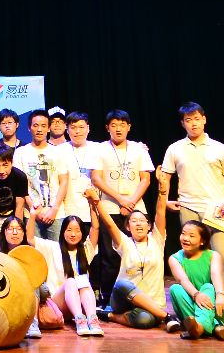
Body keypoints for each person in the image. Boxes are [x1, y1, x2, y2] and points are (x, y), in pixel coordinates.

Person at [157, 103, 224, 323]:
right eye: (188, 120)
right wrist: (165, 201)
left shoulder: (219, 148)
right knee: (193, 258)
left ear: (204, 119)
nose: (193, 123)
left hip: (217, 210)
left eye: (196, 118)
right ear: (182, 123)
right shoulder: (175, 148)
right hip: (189, 208)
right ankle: (196, 301)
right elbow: (165, 177)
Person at [91, 110, 155, 307]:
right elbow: (96, 178)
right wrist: (121, 200)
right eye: (114, 125)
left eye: (122, 124)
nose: (118, 129)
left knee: (139, 253)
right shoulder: (100, 149)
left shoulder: (139, 149)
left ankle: (142, 299)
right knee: (110, 256)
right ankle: (109, 299)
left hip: (136, 209)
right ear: (107, 128)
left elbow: (146, 179)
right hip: (109, 208)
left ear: (129, 127)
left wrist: (131, 203)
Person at [167, 220, 224, 340]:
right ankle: (216, 327)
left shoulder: (213, 255)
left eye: (191, 236)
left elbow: (216, 275)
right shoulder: (175, 258)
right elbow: (183, 280)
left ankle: (199, 328)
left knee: (207, 287)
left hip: (217, 306)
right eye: (183, 233)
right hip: (192, 301)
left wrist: (220, 295)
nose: (185, 238)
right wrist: (196, 295)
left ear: (202, 241)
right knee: (175, 289)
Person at [99, 208, 169, 330]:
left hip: (152, 304)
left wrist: (163, 195)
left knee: (144, 320)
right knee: (122, 284)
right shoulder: (125, 243)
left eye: (142, 220)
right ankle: (166, 317)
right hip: (124, 301)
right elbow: (110, 225)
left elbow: (160, 211)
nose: (138, 223)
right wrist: (96, 202)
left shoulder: (157, 241)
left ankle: (111, 316)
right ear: (128, 227)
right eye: (134, 221)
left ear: (149, 226)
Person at [0, 215, 57, 339]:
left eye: (19, 229)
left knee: (31, 282)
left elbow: (40, 278)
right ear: (4, 232)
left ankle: (33, 323)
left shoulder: (31, 251)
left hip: (37, 289)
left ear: (24, 233)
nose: (15, 232)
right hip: (10, 290)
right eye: (10, 229)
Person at [14, 110, 70, 242]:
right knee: (34, 250)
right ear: (29, 128)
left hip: (56, 213)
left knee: (57, 251)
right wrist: (34, 209)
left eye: (43, 126)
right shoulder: (21, 152)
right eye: (35, 125)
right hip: (31, 212)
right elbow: (20, 184)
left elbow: (64, 182)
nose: (39, 129)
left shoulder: (58, 152)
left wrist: (54, 209)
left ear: (49, 128)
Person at [52, 215, 104, 336]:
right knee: (71, 281)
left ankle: (92, 320)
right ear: (63, 232)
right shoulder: (53, 248)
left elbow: (95, 228)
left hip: (80, 304)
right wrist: (33, 215)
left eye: (77, 230)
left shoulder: (85, 250)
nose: (73, 234)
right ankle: (80, 321)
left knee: (83, 280)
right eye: (69, 230)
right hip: (59, 304)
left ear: (82, 233)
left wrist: (93, 206)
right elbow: (30, 239)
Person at [58, 111, 104, 238]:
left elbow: (118, 146)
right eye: (73, 128)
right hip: (69, 211)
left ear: (88, 128)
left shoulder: (99, 148)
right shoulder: (59, 150)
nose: (77, 131)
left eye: (81, 127)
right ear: (67, 129)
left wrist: (139, 146)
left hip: (94, 210)